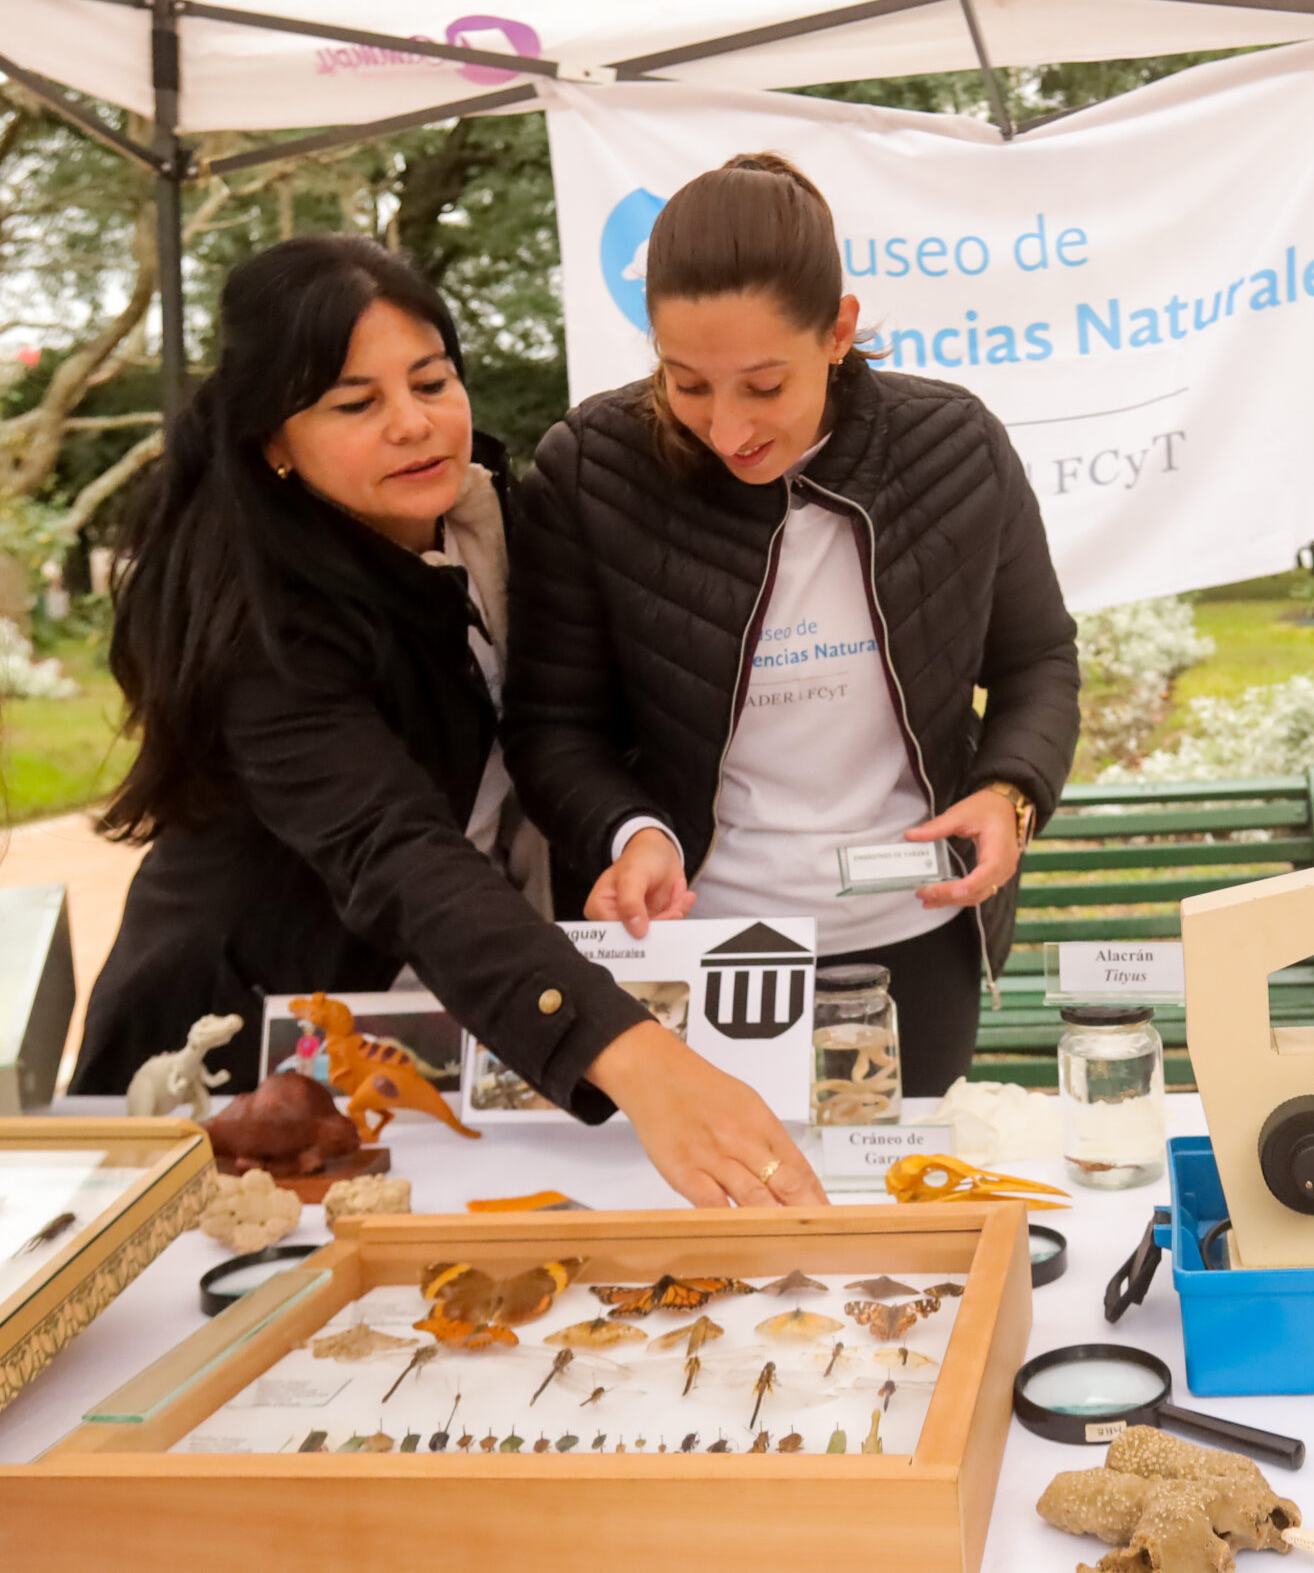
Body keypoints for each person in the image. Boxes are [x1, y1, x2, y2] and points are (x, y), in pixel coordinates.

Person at [73, 236, 822, 1210]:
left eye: (431, 381)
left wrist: (627, 831)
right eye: (355, 404)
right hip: (232, 1057)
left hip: (432, 1026)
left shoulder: (488, 525)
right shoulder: (267, 629)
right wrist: (633, 1054)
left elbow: (556, 729)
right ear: (273, 442)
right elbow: (399, 852)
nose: (412, 423)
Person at [505, 154, 1079, 1099]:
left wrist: (1011, 790)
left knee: (899, 1190)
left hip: (911, 938)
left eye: (764, 386)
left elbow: (1038, 660)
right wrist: (631, 832)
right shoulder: (589, 469)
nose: (727, 428)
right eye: (687, 383)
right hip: (687, 944)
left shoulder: (955, 446)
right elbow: (551, 725)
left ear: (839, 331)